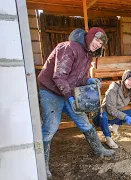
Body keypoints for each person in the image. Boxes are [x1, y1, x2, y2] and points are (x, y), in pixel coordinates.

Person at [37, 27, 115, 178]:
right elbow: (58, 77)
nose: (98, 44)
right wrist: (71, 98)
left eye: (101, 43)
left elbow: (79, 78)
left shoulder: (87, 54)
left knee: (83, 121)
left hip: (67, 91)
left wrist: (89, 80)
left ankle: (99, 149)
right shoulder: (69, 48)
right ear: (90, 37)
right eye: (97, 41)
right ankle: (42, 163)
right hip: (51, 91)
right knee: (50, 127)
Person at [93, 70, 131, 148]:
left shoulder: (129, 91)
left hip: (114, 117)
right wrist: (125, 117)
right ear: (124, 79)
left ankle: (114, 127)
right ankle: (108, 139)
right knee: (103, 115)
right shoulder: (113, 90)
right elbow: (110, 109)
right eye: (129, 80)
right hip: (101, 118)